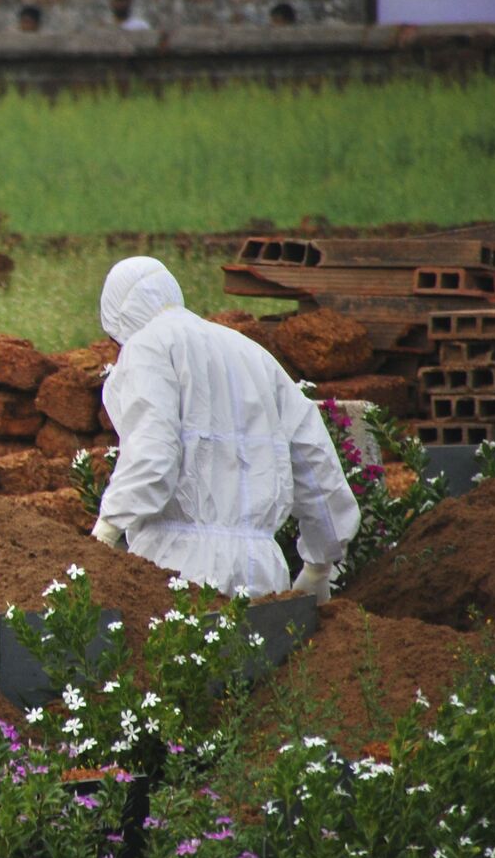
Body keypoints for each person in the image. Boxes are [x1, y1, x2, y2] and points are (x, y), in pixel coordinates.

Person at [90, 257, 358, 601]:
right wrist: (319, 564)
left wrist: (107, 528)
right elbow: (314, 460)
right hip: (263, 572)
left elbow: (152, 453)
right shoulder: (251, 353)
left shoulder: (146, 347)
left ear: (120, 319)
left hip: (177, 566)